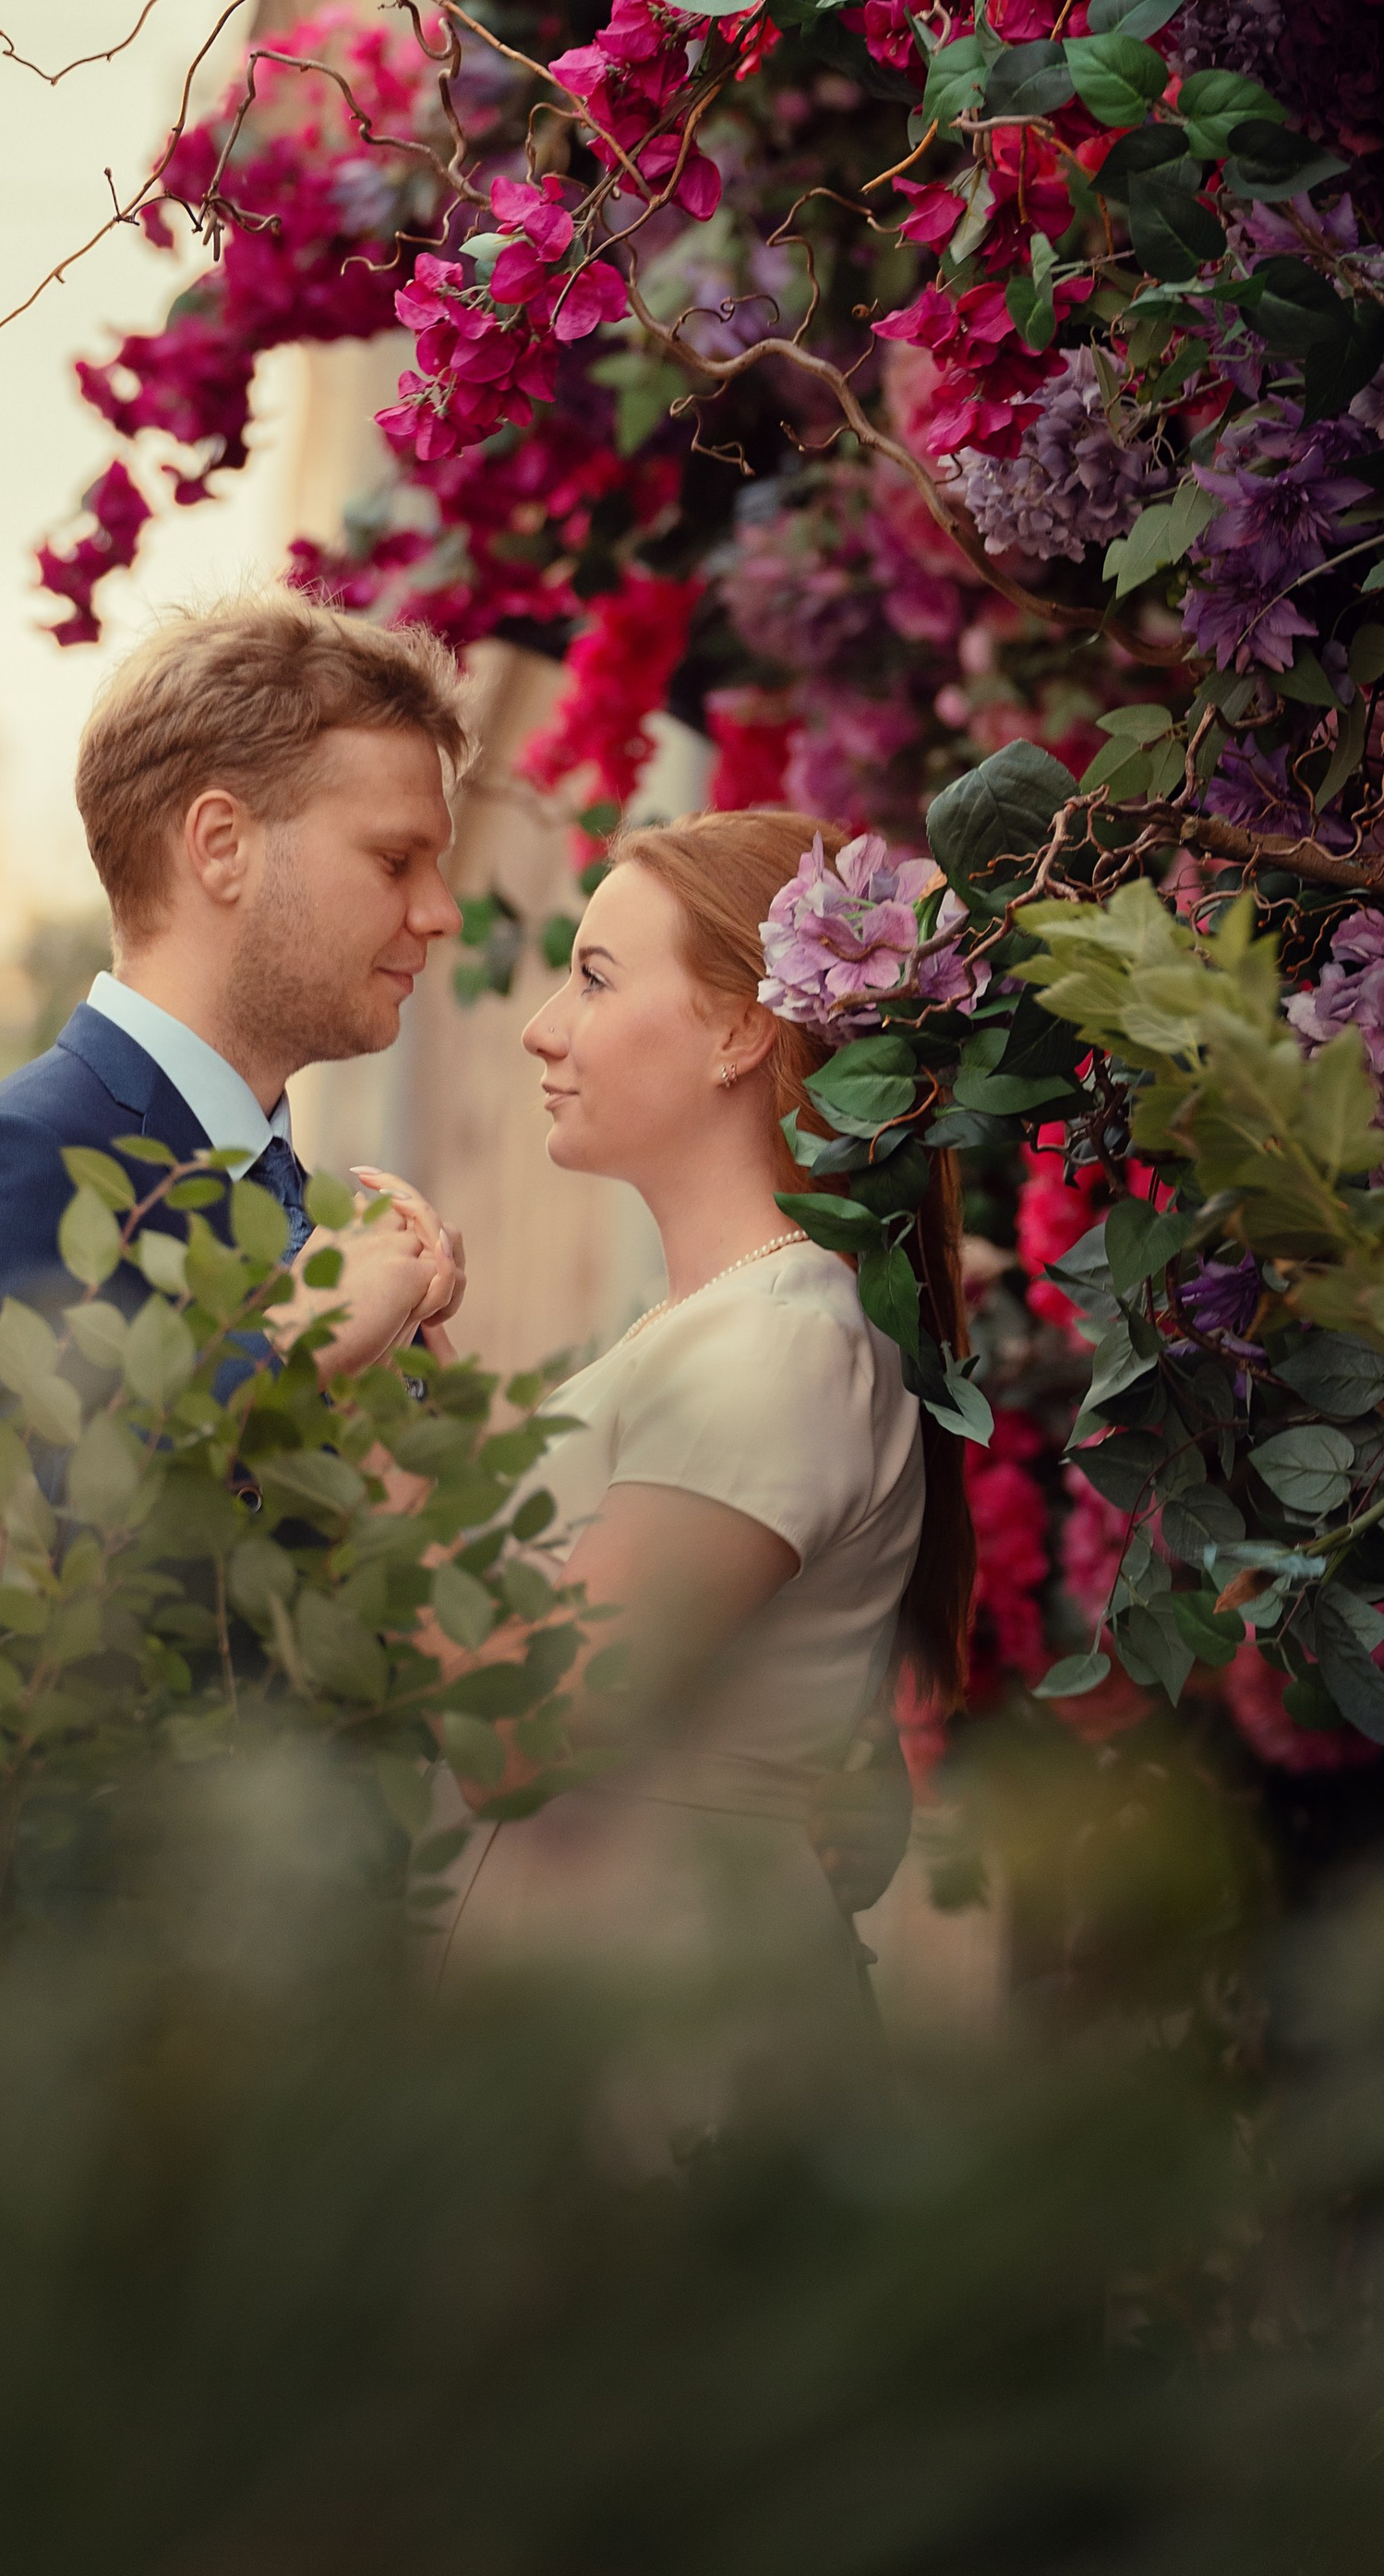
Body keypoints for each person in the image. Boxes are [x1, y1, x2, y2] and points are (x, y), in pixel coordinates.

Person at [0, 595, 473, 1656]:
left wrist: (415, 1403)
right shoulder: (13, 1163)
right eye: (393, 860)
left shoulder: (309, 1208)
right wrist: (284, 1348)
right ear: (221, 845)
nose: (440, 911)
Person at [431, 806, 970, 2027]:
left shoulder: (775, 1342)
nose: (541, 1026)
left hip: (669, 2027)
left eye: (593, 978)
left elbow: (519, 1735)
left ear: (738, 1029)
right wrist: (419, 1381)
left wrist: (356, 1410)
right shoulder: (727, 1325)